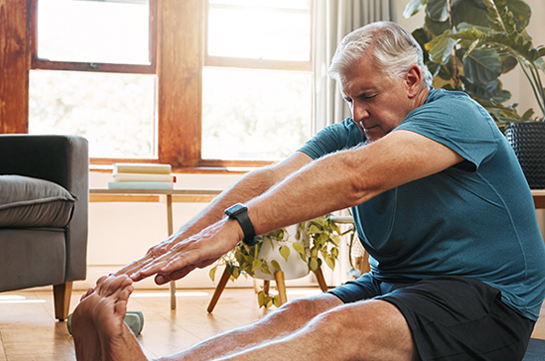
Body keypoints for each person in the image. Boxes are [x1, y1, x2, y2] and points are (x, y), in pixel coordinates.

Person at [72, 21, 545, 361]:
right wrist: (170, 248)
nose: (358, 113)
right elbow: (272, 178)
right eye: (351, 99)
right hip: (399, 283)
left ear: (412, 80)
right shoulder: (357, 130)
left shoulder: (457, 116)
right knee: (296, 312)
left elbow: (357, 177)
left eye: (368, 96)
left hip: (490, 301)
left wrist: (237, 228)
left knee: (341, 328)